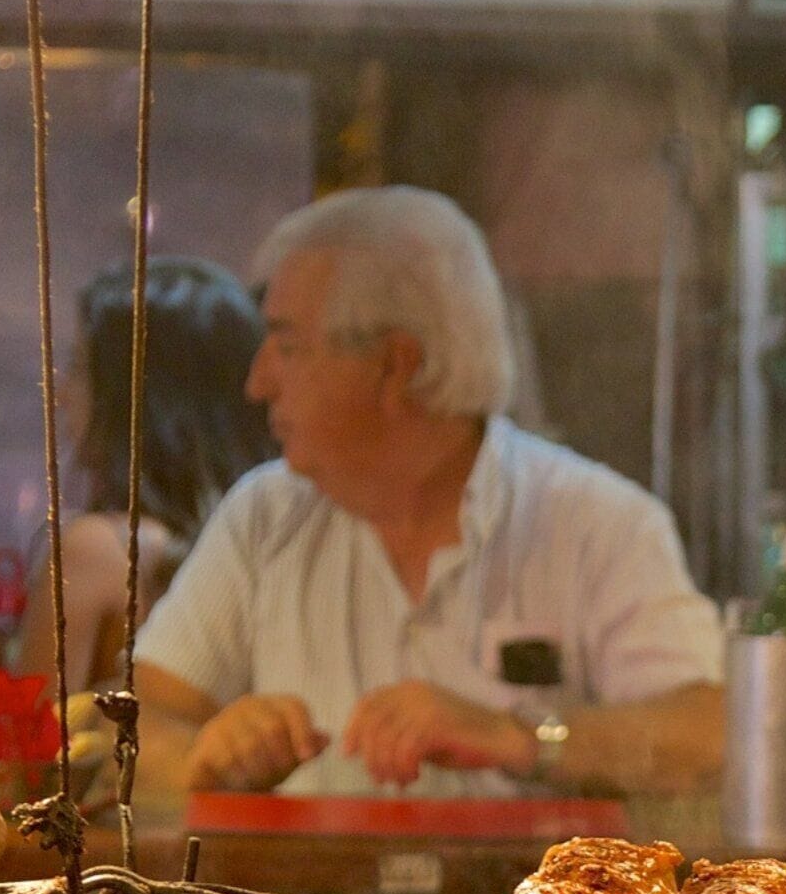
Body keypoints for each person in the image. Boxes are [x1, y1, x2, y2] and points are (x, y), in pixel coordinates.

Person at [129, 188, 723, 800]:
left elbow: (708, 739)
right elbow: (133, 724)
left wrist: (519, 738)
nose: (257, 383)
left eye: (287, 346)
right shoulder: (262, 518)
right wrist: (208, 757)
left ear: (395, 365)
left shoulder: (599, 522)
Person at [22, 255, 269, 697]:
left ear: (140, 395)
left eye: (80, 367)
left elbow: (28, 751)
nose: (60, 395)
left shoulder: (97, 549)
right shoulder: (271, 533)